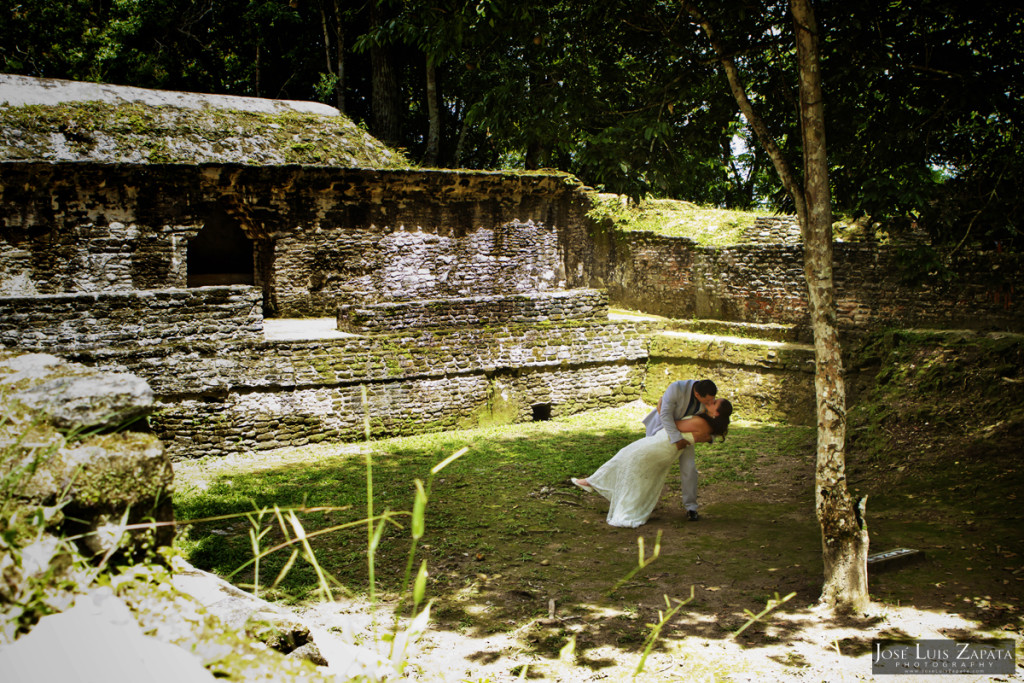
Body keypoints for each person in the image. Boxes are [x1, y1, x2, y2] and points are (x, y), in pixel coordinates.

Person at [571, 399, 732, 528]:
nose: (710, 402)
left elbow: (670, 424)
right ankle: (593, 483)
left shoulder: (701, 423)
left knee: (630, 462)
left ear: (716, 413)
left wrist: (662, 406)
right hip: (663, 445)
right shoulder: (705, 423)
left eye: (714, 403)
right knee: (630, 464)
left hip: (661, 445)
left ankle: (622, 507)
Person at [643, 379, 718, 521]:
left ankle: (691, 508)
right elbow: (665, 415)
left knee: (689, 469)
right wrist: (677, 439)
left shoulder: (707, 396)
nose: (709, 404)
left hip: (687, 436)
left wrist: (709, 437)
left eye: (711, 401)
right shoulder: (676, 388)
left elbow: (713, 419)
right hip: (663, 430)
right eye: (706, 401)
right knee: (652, 468)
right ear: (697, 394)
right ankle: (644, 504)